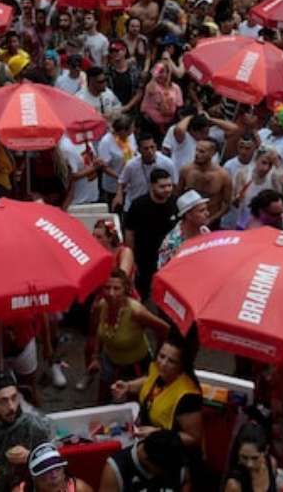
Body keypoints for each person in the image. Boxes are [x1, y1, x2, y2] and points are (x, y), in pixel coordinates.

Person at [110, 332, 203, 451]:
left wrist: (157, 433)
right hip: (144, 436)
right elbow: (149, 381)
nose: (163, 364)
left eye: (171, 361)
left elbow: (193, 438)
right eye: (161, 356)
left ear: (182, 366)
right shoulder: (159, 371)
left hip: (167, 451)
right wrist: (128, 386)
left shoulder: (188, 397)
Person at [87, 269, 169, 403]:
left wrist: (159, 360)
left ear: (125, 289)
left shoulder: (136, 312)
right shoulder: (101, 305)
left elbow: (165, 330)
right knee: (102, 403)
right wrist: (95, 356)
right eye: (107, 288)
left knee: (133, 407)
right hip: (109, 362)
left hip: (135, 367)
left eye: (116, 288)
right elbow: (98, 331)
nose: (111, 293)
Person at [124, 169, 177, 298]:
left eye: (169, 185)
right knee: (143, 292)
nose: (167, 190)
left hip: (168, 259)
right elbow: (129, 232)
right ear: (152, 186)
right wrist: (131, 258)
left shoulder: (175, 203)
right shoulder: (138, 205)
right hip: (144, 259)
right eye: (162, 186)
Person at [99, 429, 189, 492]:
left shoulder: (176, 458)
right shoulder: (115, 470)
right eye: (164, 470)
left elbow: (186, 482)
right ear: (147, 460)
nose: (170, 472)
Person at [115, 132, 177, 212]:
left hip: (159, 206)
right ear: (139, 150)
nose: (150, 151)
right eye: (146, 148)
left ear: (156, 147)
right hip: (135, 206)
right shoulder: (131, 165)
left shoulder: (167, 163)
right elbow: (121, 182)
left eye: (152, 147)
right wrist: (118, 195)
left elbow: (174, 185)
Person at [178, 139, 232, 228]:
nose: (197, 154)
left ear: (212, 153)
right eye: (196, 150)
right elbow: (178, 194)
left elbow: (227, 204)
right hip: (189, 221)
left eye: (202, 151)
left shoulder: (223, 176)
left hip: (212, 221)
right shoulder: (186, 170)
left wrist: (211, 219)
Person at [157, 190, 211, 268]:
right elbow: (164, 272)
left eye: (206, 209)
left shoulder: (204, 230)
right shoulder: (172, 243)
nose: (207, 213)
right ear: (188, 215)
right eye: (201, 211)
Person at [13, 443, 93, 492]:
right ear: (34, 477)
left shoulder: (79, 489)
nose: (54, 475)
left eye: (58, 468)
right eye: (47, 470)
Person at [224, 424, 278, 492]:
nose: (249, 464)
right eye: (244, 457)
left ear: (266, 451)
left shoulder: (271, 464)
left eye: (255, 458)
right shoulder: (234, 484)